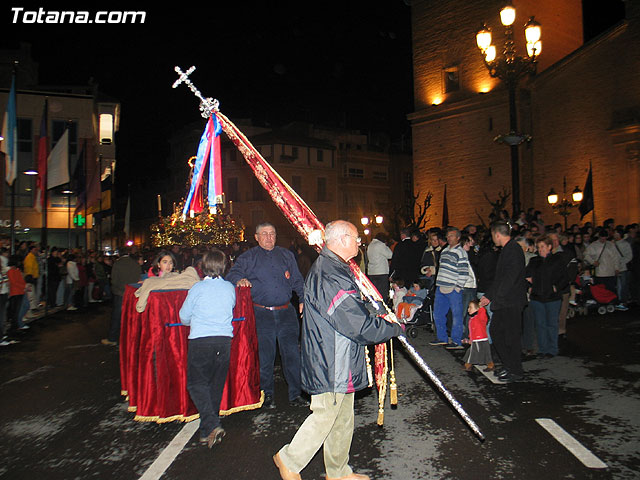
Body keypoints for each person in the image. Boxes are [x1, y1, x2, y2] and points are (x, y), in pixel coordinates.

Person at [273, 220, 403, 480]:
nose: (359, 243)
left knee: (342, 418)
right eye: (356, 238)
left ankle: (338, 471)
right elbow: (354, 323)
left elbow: (353, 307)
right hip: (330, 358)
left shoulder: (338, 268)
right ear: (342, 240)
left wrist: (377, 312)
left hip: (341, 355)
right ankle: (288, 459)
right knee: (326, 413)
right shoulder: (329, 274)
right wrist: (391, 329)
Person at [226, 222, 305, 408]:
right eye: (264, 234)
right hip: (261, 314)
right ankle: (266, 394)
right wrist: (240, 279)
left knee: (292, 354)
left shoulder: (286, 255)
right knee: (265, 356)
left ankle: (296, 393)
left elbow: (297, 279)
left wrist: (302, 298)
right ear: (256, 237)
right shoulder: (248, 257)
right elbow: (232, 274)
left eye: (272, 233)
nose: (269, 237)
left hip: (286, 313)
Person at [179, 249, 236, 448]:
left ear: (203, 266)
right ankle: (206, 432)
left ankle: (211, 424)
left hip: (201, 340)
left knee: (196, 384)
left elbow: (184, 316)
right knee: (215, 386)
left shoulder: (197, 288)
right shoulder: (229, 288)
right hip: (224, 341)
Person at [480, 222, 528, 383]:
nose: (493, 239)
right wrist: (489, 295)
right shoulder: (507, 250)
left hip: (510, 301)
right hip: (504, 300)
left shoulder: (513, 250)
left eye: (493, 236)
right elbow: (500, 279)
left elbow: (509, 278)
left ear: (497, 234)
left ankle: (515, 370)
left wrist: (497, 297)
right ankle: (509, 366)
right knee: (497, 332)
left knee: (510, 337)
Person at [525, 235, 569, 358]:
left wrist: (556, 287)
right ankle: (542, 349)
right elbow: (526, 275)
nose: (540, 249)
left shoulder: (557, 260)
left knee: (552, 324)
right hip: (537, 297)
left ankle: (552, 349)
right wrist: (529, 286)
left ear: (549, 247)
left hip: (552, 298)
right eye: (538, 247)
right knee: (540, 324)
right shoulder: (534, 261)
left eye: (543, 247)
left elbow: (564, 277)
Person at [430, 227, 470, 350]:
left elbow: (464, 271)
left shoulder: (461, 252)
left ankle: (457, 340)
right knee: (438, 314)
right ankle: (442, 338)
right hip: (441, 287)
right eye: (448, 236)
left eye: (451, 236)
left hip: (453, 288)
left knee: (457, 315)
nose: (448, 238)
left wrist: (458, 287)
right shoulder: (445, 250)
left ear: (458, 238)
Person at [101, 251, 142, 346]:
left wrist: (115, 289)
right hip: (133, 293)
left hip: (120, 293)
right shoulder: (135, 264)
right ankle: (130, 339)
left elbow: (114, 280)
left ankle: (113, 338)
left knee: (117, 317)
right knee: (130, 317)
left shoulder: (118, 264)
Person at [462, 299, 493, 372]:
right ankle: (468, 364)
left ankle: (469, 365)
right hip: (475, 339)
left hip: (481, 339)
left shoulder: (480, 317)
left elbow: (482, 313)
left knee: (482, 353)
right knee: (472, 352)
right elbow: (472, 331)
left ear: (477, 309)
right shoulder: (472, 319)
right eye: (468, 307)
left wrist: (481, 307)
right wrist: (470, 338)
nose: (468, 309)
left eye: (470, 307)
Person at [366, 232, 393, 304]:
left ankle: (374, 306)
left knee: (374, 291)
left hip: (372, 271)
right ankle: (382, 307)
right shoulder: (381, 245)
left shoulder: (370, 245)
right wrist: (386, 246)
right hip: (381, 271)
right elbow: (390, 255)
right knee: (382, 292)